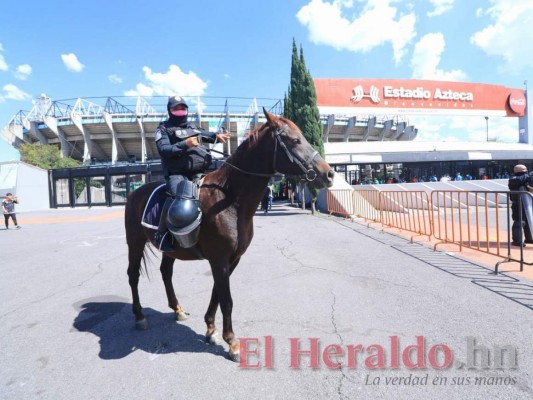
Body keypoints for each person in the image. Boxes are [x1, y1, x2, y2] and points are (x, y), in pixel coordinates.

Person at [153, 96, 231, 251]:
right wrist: (184, 144)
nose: (180, 111)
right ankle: (161, 235)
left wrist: (216, 136)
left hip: (198, 172)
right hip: (177, 173)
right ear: (170, 110)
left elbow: (205, 134)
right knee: (177, 198)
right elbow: (164, 150)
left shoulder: (192, 127)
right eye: (176, 108)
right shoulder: (162, 129)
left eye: (183, 108)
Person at [508, 164, 533, 247]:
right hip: (518, 203)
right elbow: (516, 181)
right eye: (524, 172)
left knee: (529, 220)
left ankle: (529, 238)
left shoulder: (525, 178)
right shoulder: (514, 178)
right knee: (520, 221)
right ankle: (517, 241)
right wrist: (527, 176)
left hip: (528, 202)